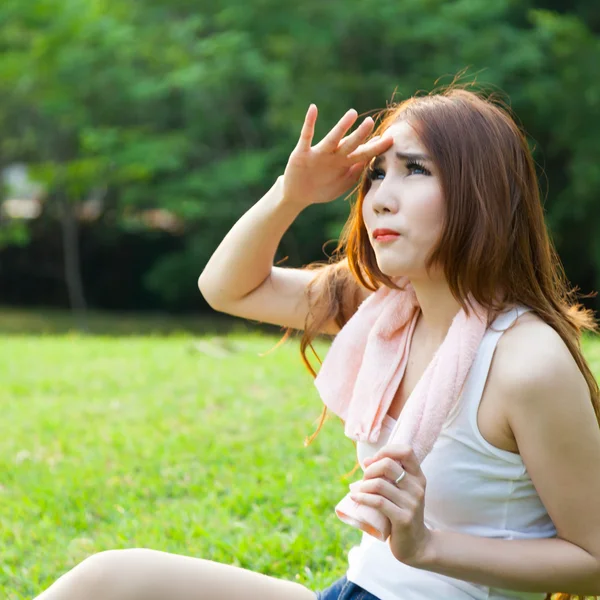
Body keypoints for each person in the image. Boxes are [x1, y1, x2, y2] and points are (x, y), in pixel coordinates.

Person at [34, 87, 600, 600]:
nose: (380, 197)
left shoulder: (526, 362)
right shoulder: (389, 309)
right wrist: (291, 193)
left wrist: (427, 547)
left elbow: (593, 561)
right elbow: (227, 287)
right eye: (376, 174)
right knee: (110, 579)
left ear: (483, 192)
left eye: (414, 170)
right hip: (354, 592)